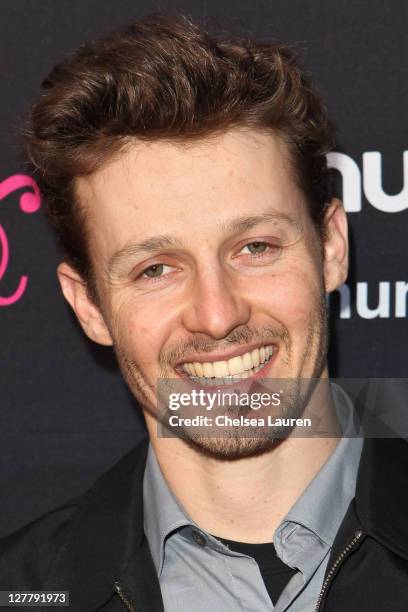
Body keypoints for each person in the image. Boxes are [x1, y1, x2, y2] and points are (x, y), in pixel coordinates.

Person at [1, 13, 407, 612]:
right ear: (88, 305)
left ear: (332, 248)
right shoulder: (23, 591)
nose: (216, 316)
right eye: (156, 269)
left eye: (256, 248)